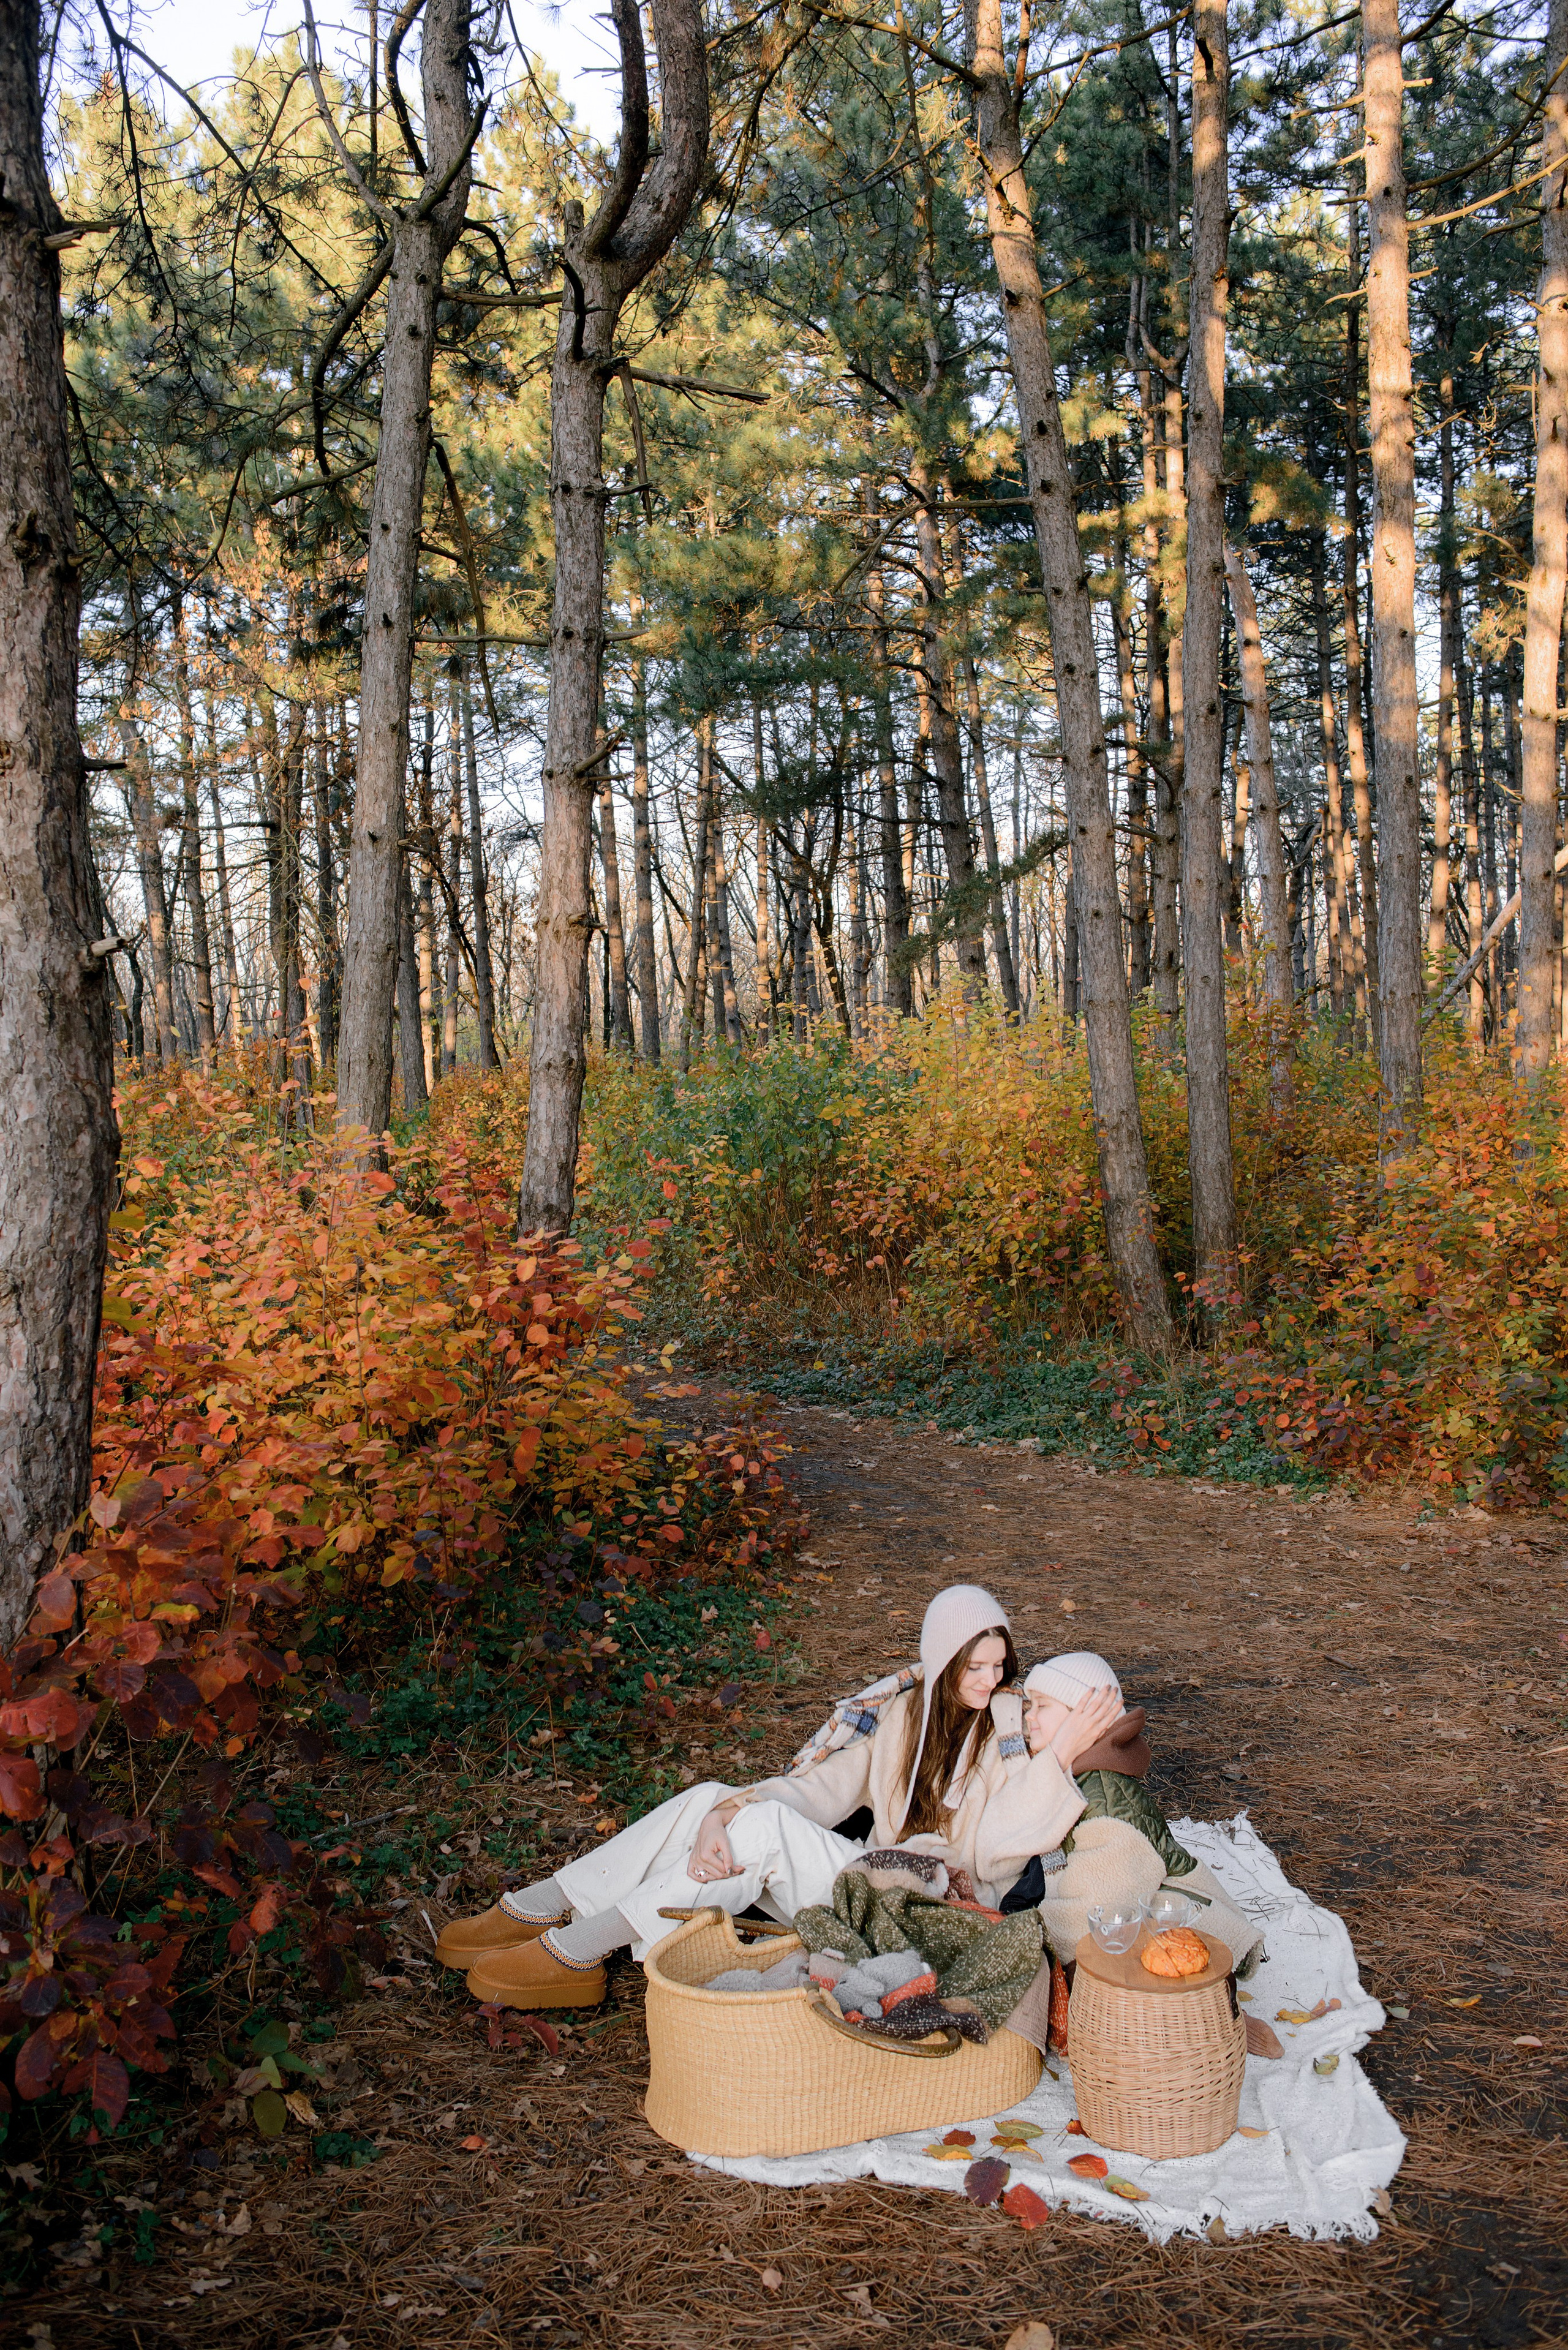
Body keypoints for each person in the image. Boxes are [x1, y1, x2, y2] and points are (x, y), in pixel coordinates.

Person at [435, 1584, 1122, 2009]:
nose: (989, 1678)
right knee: (721, 1797)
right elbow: (822, 1792)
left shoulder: (1008, 1728)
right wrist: (722, 1814)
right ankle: (550, 1905)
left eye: (999, 1664)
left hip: (924, 1913)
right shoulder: (901, 1720)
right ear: (942, 1664)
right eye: (973, 1665)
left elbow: (998, 1849)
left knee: (763, 1832)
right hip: (866, 1887)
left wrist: (1057, 1754)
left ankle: (581, 1947)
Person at [1009, 1650, 1263, 1973]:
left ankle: (1230, 2021)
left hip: (1185, 1936)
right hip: (1129, 1915)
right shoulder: (1072, 1777)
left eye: (1042, 1706)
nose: (1029, 1717)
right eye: (1029, 1706)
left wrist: (1020, 1938)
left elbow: (1093, 1913)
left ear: (1087, 1717)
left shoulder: (1106, 1800)